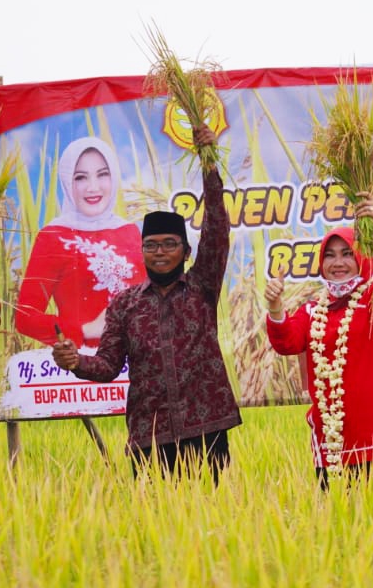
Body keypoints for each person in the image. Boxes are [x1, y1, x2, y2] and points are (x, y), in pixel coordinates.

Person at [51, 125, 240, 482]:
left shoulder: (202, 287)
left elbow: (217, 228)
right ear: (142, 253)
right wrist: (76, 361)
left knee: (214, 524)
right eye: (151, 245)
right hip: (150, 435)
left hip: (206, 429)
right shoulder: (125, 305)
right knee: (156, 524)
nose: (160, 252)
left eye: (169, 244)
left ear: (186, 252)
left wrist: (209, 165)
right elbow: (107, 365)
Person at [263, 194, 373, 489]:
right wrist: (275, 307)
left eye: (347, 253)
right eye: (329, 255)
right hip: (333, 441)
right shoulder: (313, 309)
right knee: (337, 528)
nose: (338, 262)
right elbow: (288, 342)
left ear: (360, 257)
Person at [15, 137, 146, 347]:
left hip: (139, 363)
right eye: (80, 178)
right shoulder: (54, 236)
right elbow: (25, 318)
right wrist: (85, 330)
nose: (92, 187)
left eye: (102, 174)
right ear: (67, 182)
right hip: (83, 365)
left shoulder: (129, 231)